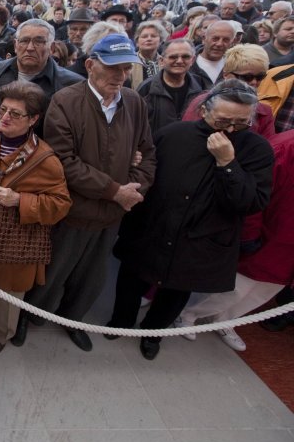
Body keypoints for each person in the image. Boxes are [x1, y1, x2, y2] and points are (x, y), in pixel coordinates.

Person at [108, 81, 273, 360]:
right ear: (205, 111)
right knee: (131, 278)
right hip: (154, 227)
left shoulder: (257, 150)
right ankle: (120, 322)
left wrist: (228, 163)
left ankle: (153, 333)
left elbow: (249, 202)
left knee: (176, 290)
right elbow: (146, 171)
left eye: (241, 123)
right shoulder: (174, 134)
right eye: (222, 120)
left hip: (202, 238)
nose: (230, 129)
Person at [20, 34, 156, 351]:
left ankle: (73, 319)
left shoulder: (134, 103)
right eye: (112, 68)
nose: (120, 76)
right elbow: (64, 162)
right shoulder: (66, 101)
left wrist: (133, 188)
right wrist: (114, 191)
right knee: (51, 273)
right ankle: (29, 316)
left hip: (111, 216)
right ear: (90, 65)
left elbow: (148, 153)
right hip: (72, 212)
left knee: (91, 278)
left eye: (125, 69)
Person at [0, 81, 71, 357]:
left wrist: (20, 200)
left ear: (34, 119)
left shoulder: (46, 160)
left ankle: (1, 334)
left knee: (8, 295)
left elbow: (61, 205)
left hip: (16, 242)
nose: (5, 118)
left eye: (16, 114)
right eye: (3, 110)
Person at [175, 129, 294, 351]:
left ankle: (226, 320)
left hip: (287, 252)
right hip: (270, 239)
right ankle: (187, 314)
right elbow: (257, 191)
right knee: (233, 288)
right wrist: (250, 234)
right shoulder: (287, 146)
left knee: (261, 293)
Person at [0, 19, 84, 130]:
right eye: (24, 41)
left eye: (38, 42)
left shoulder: (72, 85)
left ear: (52, 48)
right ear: (15, 45)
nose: (30, 48)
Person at [182, 44, 275, 138]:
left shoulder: (264, 111)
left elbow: (268, 147)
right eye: (247, 77)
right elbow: (188, 138)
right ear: (226, 75)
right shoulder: (204, 101)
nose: (254, 82)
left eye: (260, 77)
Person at [137, 39, 204, 134]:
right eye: (173, 57)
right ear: (161, 61)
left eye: (185, 57)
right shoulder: (147, 88)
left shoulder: (200, 85)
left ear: (192, 60)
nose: (180, 61)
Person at [131, 20, 168, 89]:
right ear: (137, 42)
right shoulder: (130, 63)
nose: (149, 39)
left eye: (153, 36)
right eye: (144, 36)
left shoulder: (166, 62)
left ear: (160, 41)